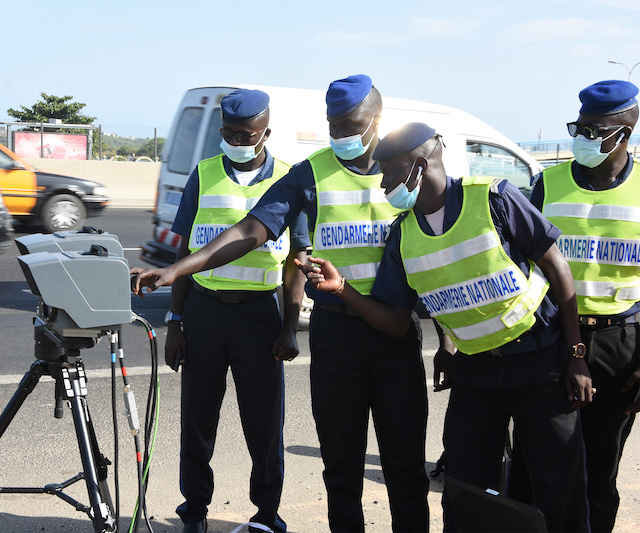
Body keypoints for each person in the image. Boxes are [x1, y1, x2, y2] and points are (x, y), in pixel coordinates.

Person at [133, 75, 430, 533]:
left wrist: (448, 337)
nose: (340, 137)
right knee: (342, 469)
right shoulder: (309, 174)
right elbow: (251, 231)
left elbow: (446, 253)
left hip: (394, 336)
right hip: (337, 336)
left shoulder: (406, 172)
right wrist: (175, 273)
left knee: (406, 468)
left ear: (377, 121)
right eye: (333, 127)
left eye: (350, 127)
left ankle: (269, 514)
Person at [295, 122, 593, 532]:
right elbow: (399, 323)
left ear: (419, 166)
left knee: (560, 489)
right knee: (465, 490)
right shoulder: (403, 236)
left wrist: (576, 355)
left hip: (539, 362)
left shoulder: (494, 199)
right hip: (475, 376)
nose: (382, 184)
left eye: (389, 172)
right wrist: (342, 288)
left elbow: (557, 266)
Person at [152, 88, 308, 533]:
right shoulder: (203, 175)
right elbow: (184, 254)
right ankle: (195, 511)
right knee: (198, 421)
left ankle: (266, 514)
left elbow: (298, 258)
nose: (237, 140)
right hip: (204, 312)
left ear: (266, 133)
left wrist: (290, 328)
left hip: (259, 318)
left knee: (263, 424)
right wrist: (175, 322)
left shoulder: (288, 179)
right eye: (229, 133)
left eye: (246, 134)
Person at [508, 79, 640, 532]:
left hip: (619, 344)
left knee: (598, 473)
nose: (581, 139)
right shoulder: (548, 184)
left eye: (594, 131)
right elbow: (521, 264)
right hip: (550, 339)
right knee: (528, 465)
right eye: (578, 128)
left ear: (626, 130)